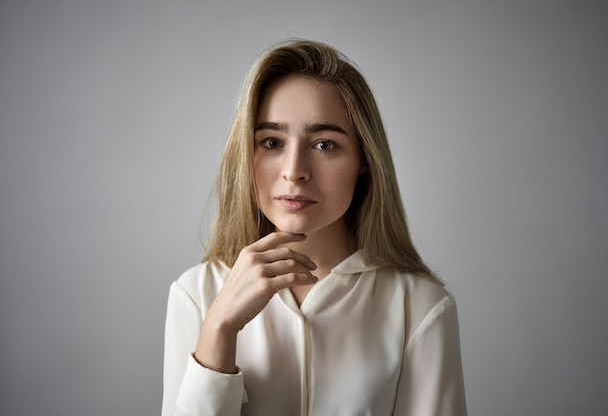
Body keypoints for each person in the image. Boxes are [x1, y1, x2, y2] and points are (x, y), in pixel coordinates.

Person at [162, 39, 466, 416]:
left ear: (364, 159)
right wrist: (218, 329)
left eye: (324, 144)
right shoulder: (195, 294)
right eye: (271, 142)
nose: (294, 170)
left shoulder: (420, 306)